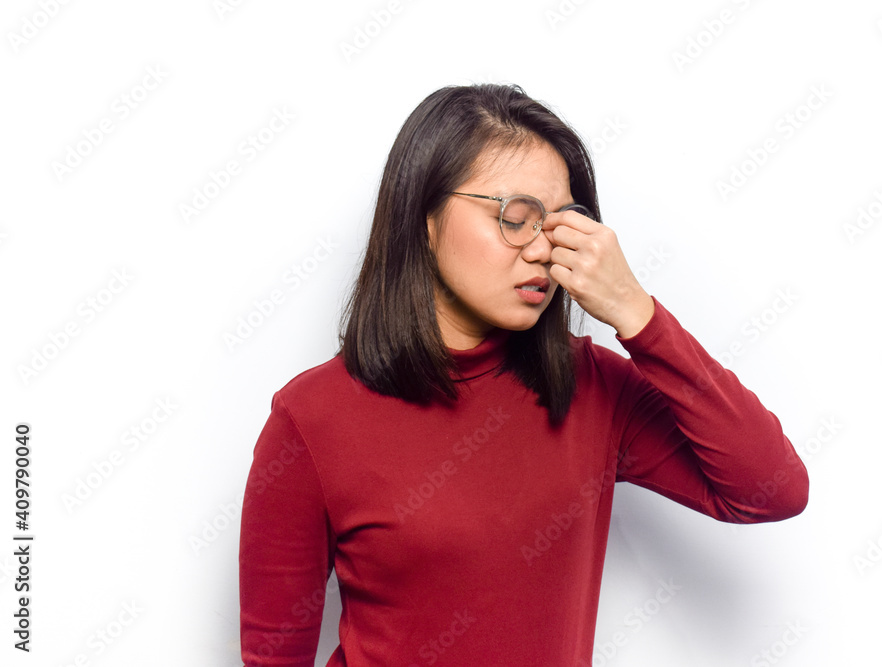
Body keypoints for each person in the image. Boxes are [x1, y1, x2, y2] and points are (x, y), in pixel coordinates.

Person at [238, 82, 809, 666]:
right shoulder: (311, 419)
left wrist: (638, 314)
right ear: (424, 219)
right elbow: (274, 655)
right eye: (516, 217)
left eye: (561, 223)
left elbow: (772, 488)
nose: (543, 250)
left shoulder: (588, 385)